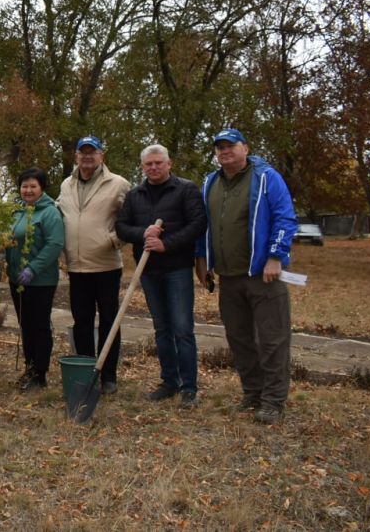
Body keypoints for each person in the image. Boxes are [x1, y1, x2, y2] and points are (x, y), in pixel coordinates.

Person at [195, 129, 297, 424]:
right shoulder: (210, 182)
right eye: (220, 147)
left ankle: (273, 400)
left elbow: (285, 217)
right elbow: (206, 225)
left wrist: (276, 257)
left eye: (231, 146)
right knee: (239, 339)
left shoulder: (266, 177)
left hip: (263, 275)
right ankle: (252, 393)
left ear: (245, 148)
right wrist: (204, 262)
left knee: (272, 339)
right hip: (228, 277)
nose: (225, 151)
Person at [115, 144, 207, 407]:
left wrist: (167, 244)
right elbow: (121, 226)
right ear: (142, 167)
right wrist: (142, 233)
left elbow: (198, 224)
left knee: (182, 330)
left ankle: (189, 387)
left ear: (169, 164)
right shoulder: (135, 195)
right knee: (161, 329)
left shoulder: (185, 190)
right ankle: (169, 381)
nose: (153, 167)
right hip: (149, 271)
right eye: (148, 164)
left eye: (158, 163)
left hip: (177, 269)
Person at [56, 135, 130, 394]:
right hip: (77, 267)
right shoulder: (67, 184)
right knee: (82, 321)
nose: (87, 157)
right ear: (76, 156)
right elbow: (59, 212)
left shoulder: (118, 183)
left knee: (110, 321)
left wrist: (113, 240)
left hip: (107, 265)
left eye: (92, 152)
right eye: (82, 152)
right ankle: (86, 370)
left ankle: (108, 375)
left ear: (102, 155)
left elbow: (129, 217)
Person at [5, 167, 65, 391]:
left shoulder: (49, 212)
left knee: (39, 326)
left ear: (41, 188)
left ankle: (40, 373)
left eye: (33, 186)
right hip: (17, 280)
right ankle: (30, 368)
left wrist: (33, 268)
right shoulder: (18, 211)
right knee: (25, 325)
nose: (28, 190)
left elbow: (54, 245)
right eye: (24, 186)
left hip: (40, 281)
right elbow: (10, 240)